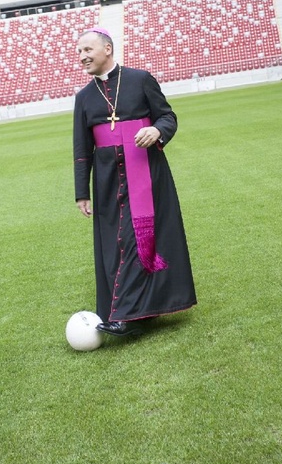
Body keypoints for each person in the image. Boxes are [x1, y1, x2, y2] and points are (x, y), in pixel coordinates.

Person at [73, 27, 197, 337]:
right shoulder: (84, 98)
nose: (82, 57)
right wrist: (81, 193)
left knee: (138, 240)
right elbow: (81, 149)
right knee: (116, 245)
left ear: (107, 49)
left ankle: (127, 314)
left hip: (146, 173)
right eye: (79, 52)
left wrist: (157, 131)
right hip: (106, 181)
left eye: (87, 50)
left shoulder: (141, 79)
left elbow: (168, 117)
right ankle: (138, 311)